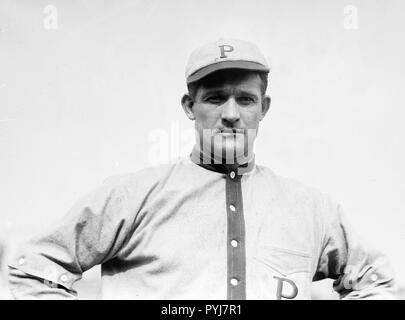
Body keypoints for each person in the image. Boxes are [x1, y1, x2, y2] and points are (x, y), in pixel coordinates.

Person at [8, 39, 396, 299]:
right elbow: (36, 266)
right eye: (214, 98)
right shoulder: (133, 195)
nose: (230, 115)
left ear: (264, 108)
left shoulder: (311, 209)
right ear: (189, 106)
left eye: (245, 99)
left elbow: (375, 281)